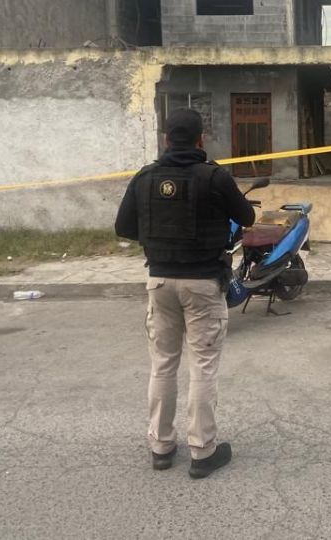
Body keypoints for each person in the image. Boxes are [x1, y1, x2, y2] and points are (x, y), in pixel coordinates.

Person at [115, 109, 256, 479]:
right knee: (203, 366)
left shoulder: (145, 177)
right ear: (200, 139)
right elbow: (247, 218)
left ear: (165, 139)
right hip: (203, 284)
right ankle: (201, 451)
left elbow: (123, 227)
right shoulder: (214, 177)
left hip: (159, 281)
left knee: (163, 363)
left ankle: (160, 447)